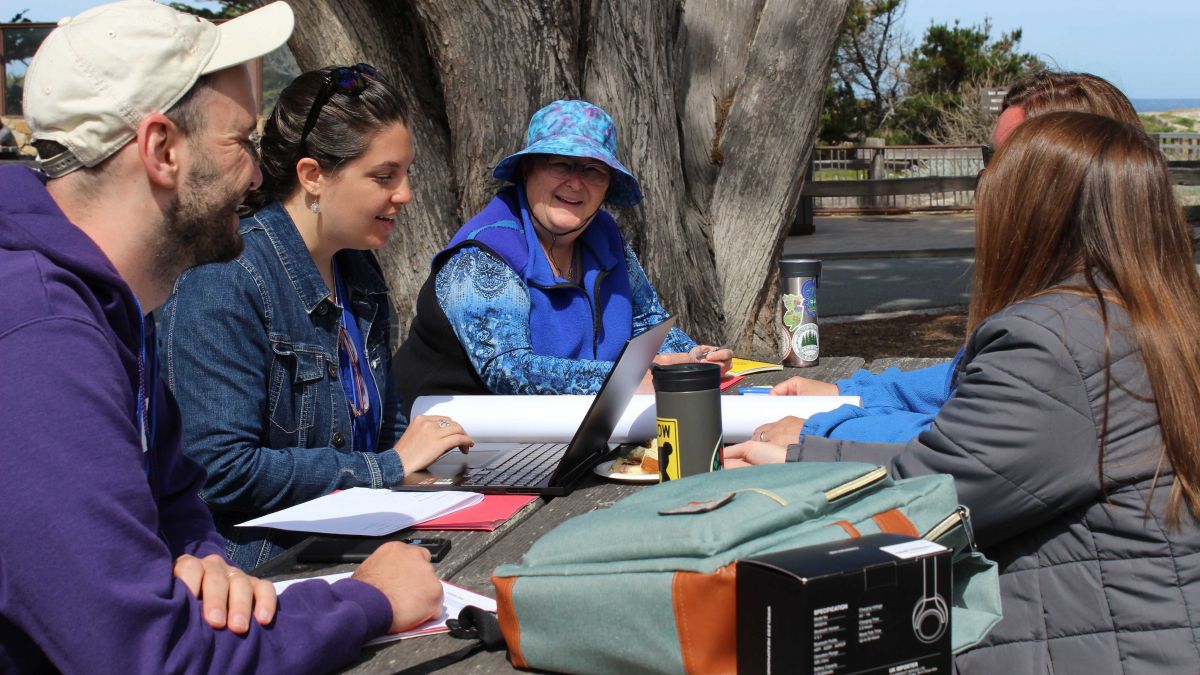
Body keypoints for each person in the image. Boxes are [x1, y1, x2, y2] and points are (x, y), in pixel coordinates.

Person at [0, 3, 441, 672]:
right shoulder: (40, 339)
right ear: (162, 150)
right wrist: (364, 601)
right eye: (241, 142)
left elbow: (177, 495)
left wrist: (206, 561)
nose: (260, 174)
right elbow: (150, 657)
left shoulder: (117, 306)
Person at [726, 112, 1200, 672]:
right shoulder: (1159, 321)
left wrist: (800, 453)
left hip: (1085, 641)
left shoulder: (1056, 342)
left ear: (1030, 216)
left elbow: (933, 493)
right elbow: (974, 456)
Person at [159, 65, 473, 570]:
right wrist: (386, 468)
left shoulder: (358, 266)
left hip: (358, 536)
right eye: (384, 176)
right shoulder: (224, 280)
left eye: (406, 174)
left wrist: (421, 472)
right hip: (263, 569)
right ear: (312, 176)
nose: (406, 194)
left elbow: (384, 422)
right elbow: (218, 471)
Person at [754, 70, 1145, 447]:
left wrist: (821, 429)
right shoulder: (1113, 302)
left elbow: (968, 443)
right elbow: (965, 381)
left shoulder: (1062, 334)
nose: (985, 179)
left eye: (1004, 163)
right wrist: (847, 393)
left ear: (1074, 175)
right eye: (988, 158)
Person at [394, 100, 731, 413]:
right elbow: (509, 371)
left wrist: (693, 359)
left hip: (571, 432)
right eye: (560, 164)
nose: (575, 183)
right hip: (458, 447)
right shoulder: (482, 255)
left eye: (593, 171)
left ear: (607, 187)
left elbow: (648, 323)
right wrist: (626, 381)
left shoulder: (605, 239)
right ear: (527, 170)